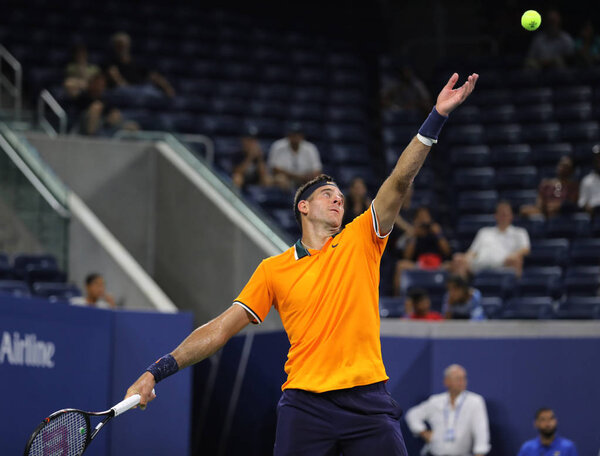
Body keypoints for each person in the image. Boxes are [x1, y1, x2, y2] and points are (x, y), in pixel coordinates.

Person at [123, 72, 479, 456]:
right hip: (306, 406)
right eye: (328, 193)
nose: (339, 199)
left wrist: (435, 118)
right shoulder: (273, 269)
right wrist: (154, 371)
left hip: (368, 400)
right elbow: (220, 330)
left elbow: (398, 181)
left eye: (341, 195)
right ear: (303, 207)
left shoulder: (362, 238)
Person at [405, 364, 490, 456]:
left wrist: (480, 452)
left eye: (463, 378)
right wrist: (423, 432)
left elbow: (481, 431)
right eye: (457, 379)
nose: (462, 382)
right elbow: (412, 415)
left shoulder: (475, 402)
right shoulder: (436, 401)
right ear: (447, 381)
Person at [452, 201, 530, 279]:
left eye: (505, 214)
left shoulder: (519, 232)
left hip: (503, 264)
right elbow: (472, 252)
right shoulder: (484, 232)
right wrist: (465, 258)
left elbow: (526, 249)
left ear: (511, 216)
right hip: (479, 264)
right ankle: (462, 290)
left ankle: (513, 289)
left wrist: (514, 255)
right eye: (500, 214)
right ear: (495, 216)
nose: (503, 217)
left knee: (516, 261)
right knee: (458, 259)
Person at [393, 206, 451, 295]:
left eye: (425, 216)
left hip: (437, 264)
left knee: (454, 265)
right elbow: (407, 256)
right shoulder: (414, 233)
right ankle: (398, 299)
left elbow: (447, 252)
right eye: (420, 217)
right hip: (420, 265)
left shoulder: (436, 230)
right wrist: (414, 235)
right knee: (400, 265)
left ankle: (450, 298)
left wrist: (438, 234)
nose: (423, 219)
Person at [104, 32, 175, 97]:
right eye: (119, 45)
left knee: (155, 94)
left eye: (124, 45)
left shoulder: (136, 62)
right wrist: (126, 87)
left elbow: (152, 75)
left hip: (140, 89)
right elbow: (115, 77)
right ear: (115, 46)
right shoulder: (110, 63)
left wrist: (166, 87)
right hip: (122, 90)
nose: (122, 47)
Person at [68, 73, 138, 136]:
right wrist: (83, 83)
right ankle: (92, 138)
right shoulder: (83, 95)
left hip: (102, 125)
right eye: (97, 83)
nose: (100, 86)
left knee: (132, 125)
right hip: (81, 125)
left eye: (102, 84)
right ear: (91, 84)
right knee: (96, 107)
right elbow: (69, 85)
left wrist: (112, 117)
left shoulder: (105, 98)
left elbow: (112, 112)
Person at [267, 122, 322, 190]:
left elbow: (317, 170)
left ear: (302, 136)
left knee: (316, 182)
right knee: (280, 179)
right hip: (286, 179)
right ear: (288, 135)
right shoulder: (278, 146)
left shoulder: (310, 148)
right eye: (293, 134)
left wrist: (307, 177)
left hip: (305, 180)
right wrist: (297, 176)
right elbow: (274, 168)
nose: (295, 137)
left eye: (298, 134)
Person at [231, 125, 270, 189]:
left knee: (267, 179)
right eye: (249, 140)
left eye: (253, 140)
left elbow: (263, 174)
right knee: (237, 178)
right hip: (243, 180)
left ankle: (264, 197)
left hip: (255, 180)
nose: (252, 143)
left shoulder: (259, 155)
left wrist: (260, 158)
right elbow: (237, 171)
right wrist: (250, 157)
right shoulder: (237, 153)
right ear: (243, 140)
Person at [578, 144, 600, 217]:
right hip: (593, 214)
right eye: (597, 157)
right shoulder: (586, 180)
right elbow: (582, 202)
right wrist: (586, 206)